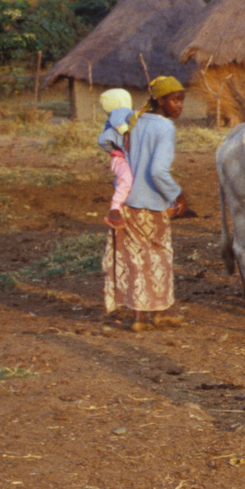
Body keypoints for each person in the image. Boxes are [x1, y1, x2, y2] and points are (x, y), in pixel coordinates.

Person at [103, 76, 190, 331]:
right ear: (160, 100)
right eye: (175, 100)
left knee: (136, 259)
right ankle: (159, 314)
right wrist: (178, 194)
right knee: (160, 257)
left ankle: (139, 319)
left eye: (182, 101)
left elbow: (106, 141)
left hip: (128, 203)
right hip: (151, 205)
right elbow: (157, 172)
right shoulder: (164, 128)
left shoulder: (133, 120)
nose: (180, 106)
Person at [96, 87, 136, 216]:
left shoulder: (128, 117)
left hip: (126, 157)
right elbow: (103, 139)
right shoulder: (121, 116)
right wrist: (117, 150)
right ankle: (115, 207)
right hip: (122, 158)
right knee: (127, 179)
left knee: (125, 181)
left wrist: (112, 149)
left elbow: (102, 141)